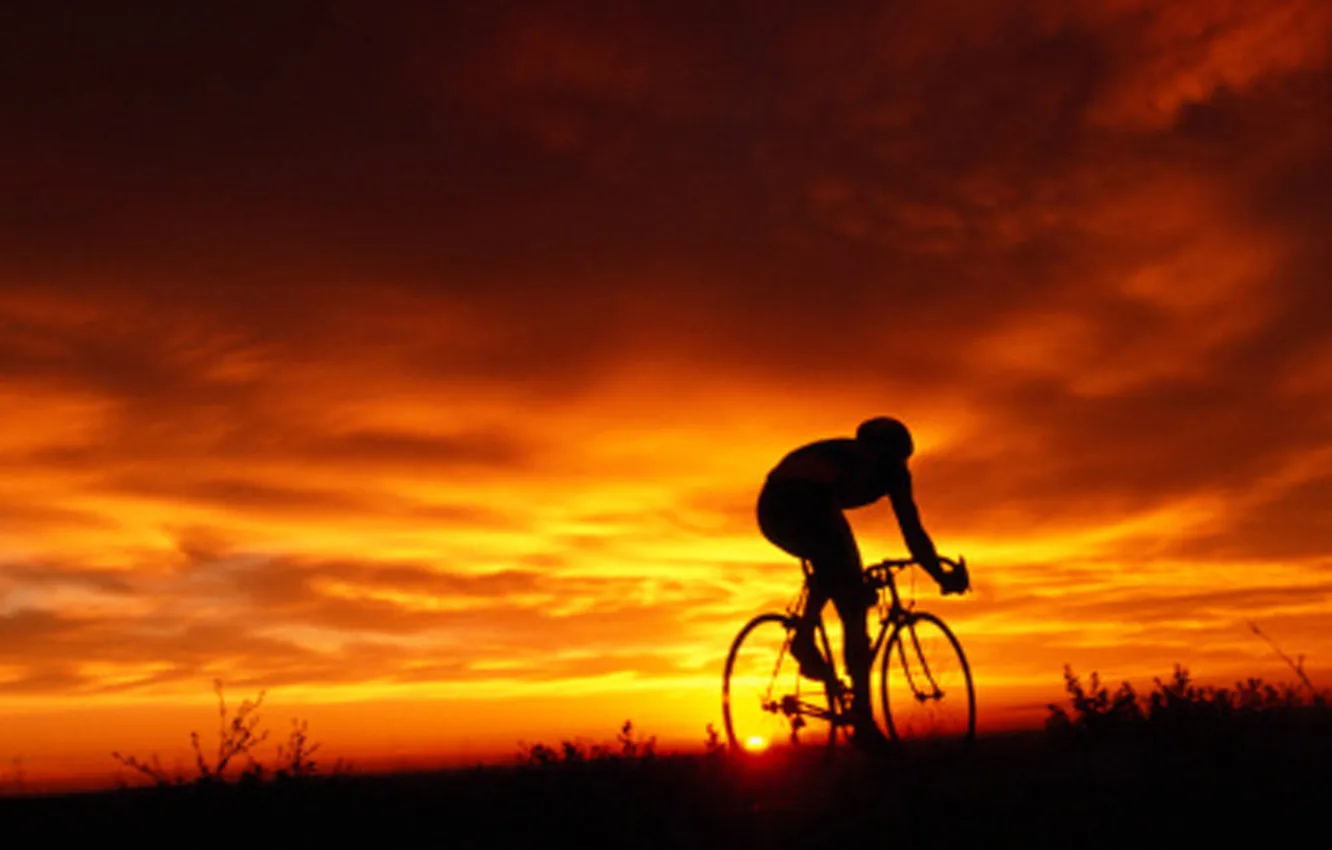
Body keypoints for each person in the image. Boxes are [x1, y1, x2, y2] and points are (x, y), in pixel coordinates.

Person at [756, 416, 968, 749]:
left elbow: (910, 532)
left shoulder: (860, 457)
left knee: (843, 580)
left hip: (778, 505)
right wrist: (941, 575)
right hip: (801, 502)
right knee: (846, 582)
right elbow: (912, 532)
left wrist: (937, 574)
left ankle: (858, 712)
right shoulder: (877, 466)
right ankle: (857, 713)